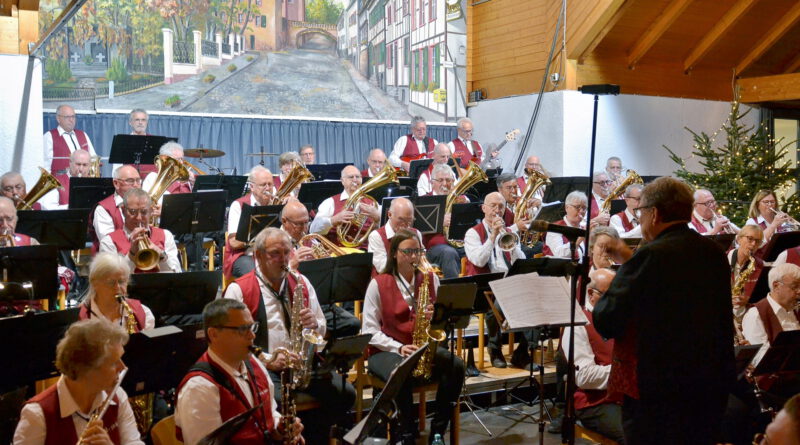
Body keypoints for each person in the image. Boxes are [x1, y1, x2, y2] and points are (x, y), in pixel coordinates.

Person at [592, 176, 735, 445]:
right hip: (709, 387)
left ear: (654, 213)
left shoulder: (651, 255)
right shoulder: (713, 252)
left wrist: (624, 268)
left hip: (660, 394)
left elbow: (607, 319)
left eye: (641, 212)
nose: (640, 218)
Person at [223, 228, 354, 444]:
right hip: (264, 367)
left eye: (287, 252)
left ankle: (316, 434)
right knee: (272, 402)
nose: (283, 259)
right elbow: (232, 345)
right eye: (275, 254)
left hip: (301, 364)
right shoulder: (239, 290)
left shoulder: (301, 282)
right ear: (258, 255)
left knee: (345, 393)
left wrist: (315, 324)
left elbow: (321, 328)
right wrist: (267, 359)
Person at [361, 228, 464, 444]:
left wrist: (435, 316)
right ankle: (407, 431)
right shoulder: (378, 283)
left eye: (417, 251)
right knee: (403, 369)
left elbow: (443, 321)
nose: (414, 257)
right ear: (395, 254)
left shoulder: (430, 279)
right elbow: (369, 330)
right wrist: (397, 347)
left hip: (421, 347)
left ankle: (437, 430)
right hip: (386, 351)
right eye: (408, 252)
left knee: (456, 365)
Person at [175, 299, 302, 445]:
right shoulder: (199, 388)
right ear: (214, 334)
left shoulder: (255, 364)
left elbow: (270, 414)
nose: (252, 336)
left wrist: (281, 429)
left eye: (252, 327)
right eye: (243, 329)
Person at [13, 318, 142, 445]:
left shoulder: (117, 397)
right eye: (114, 363)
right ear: (87, 370)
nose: (123, 367)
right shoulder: (37, 415)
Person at [464, 192, 529, 369]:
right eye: (493, 206)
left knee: (532, 301)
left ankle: (522, 352)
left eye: (501, 206)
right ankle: (495, 350)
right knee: (497, 306)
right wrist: (492, 237)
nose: (497, 210)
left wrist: (513, 245)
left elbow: (521, 262)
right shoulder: (472, 233)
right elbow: (478, 260)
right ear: (484, 208)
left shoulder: (509, 232)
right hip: (484, 287)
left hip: (508, 284)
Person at [281, 200, 361, 339]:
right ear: (284, 221)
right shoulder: (274, 242)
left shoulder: (310, 240)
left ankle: (324, 352)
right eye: (298, 224)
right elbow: (266, 277)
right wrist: (291, 265)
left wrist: (323, 262)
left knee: (353, 324)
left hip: (317, 300)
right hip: (289, 304)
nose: (304, 228)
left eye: (306, 223)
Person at [561, 268, 624, 444]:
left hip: (627, 395)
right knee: (637, 434)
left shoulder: (622, 318)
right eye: (611, 295)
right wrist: (624, 371)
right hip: (596, 403)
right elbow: (583, 377)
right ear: (591, 293)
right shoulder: (578, 323)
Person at [99, 188, 182, 273]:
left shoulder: (166, 235)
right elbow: (109, 278)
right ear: (123, 210)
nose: (139, 218)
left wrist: (161, 256)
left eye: (144, 212)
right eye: (133, 211)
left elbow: (177, 272)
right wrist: (131, 255)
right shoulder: (109, 241)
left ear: (151, 211)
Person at [742, 262, 800, 368]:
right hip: (775, 382)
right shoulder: (756, 315)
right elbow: (760, 360)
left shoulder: (795, 311)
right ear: (776, 286)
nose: (799, 291)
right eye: (795, 287)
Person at [79, 251, 156, 331]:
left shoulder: (143, 313)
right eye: (111, 282)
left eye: (121, 281)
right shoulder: (80, 316)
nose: (117, 287)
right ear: (95, 284)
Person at [309, 165, 380, 249]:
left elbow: (384, 231)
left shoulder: (372, 203)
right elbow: (313, 229)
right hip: (337, 254)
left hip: (366, 252)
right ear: (342, 181)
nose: (355, 179)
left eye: (357, 176)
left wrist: (378, 218)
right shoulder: (330, 202)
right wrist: (333, 220)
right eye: (351, 177)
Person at [224, 165, 274, 279]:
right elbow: (234, 243)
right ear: (252, 187)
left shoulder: (276, 204)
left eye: (270, 184)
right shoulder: (238, 206)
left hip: (272, 254)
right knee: (257, 275)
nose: (267, 188)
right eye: (263, 185)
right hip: (245, 255)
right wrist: (258, 237)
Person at [421, 164, 462, 279]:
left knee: (477, 250)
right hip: (434, 248)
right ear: (432, 182)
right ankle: (454, 292)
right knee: (449, 253)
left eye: (448, 180)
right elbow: (418, 229)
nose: (444, 184)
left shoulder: (458, 200)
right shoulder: (423, 200)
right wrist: (439, 222)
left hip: (457, 243)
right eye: (440, 180)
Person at [728, 225, 765, 344]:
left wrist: (748, 301)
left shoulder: (759, 265)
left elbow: (763, 298)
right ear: (739, 239)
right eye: (750, 239)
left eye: (758, 241)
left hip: (747, 319)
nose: (753, 244)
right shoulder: (721, 259)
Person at [368, 197, 422, 273]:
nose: (405, 225)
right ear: (389, 214)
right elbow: (383, 268)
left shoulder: (417, 234)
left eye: (409, 220)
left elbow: (421, 261)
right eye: (401, 219)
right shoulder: (376, 236)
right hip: (387, 282)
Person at [92, 165, 141, 248]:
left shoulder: (144, 204)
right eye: (130, 181)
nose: (136, 185)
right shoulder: (103, 209)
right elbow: (109, 244)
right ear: (116, 183)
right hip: (115, 259)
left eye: (138, 180)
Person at [43, 104, 97, 175]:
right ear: (58, 119)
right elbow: (45, 166)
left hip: (83, 182)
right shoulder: (49, 136)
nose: (71, 120)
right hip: (62, 183)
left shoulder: (83, 135)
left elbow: (93, 160)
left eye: (73, 116)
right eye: (67, 117)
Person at [111, 109, 156, 177]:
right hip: (130, 184)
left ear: (147, 122)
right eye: (137, 120)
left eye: (143, 120)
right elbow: (116, 170)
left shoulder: (155, 141)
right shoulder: (121, 142)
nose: (140, 122)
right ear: (130, 122)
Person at [543, 191, 587, 259]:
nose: (581, 211)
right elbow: (560, 255)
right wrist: (580, 238)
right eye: (577, 207)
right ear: (566, 207)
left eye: (584, 208)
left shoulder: (583, 226)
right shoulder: (554, 228)